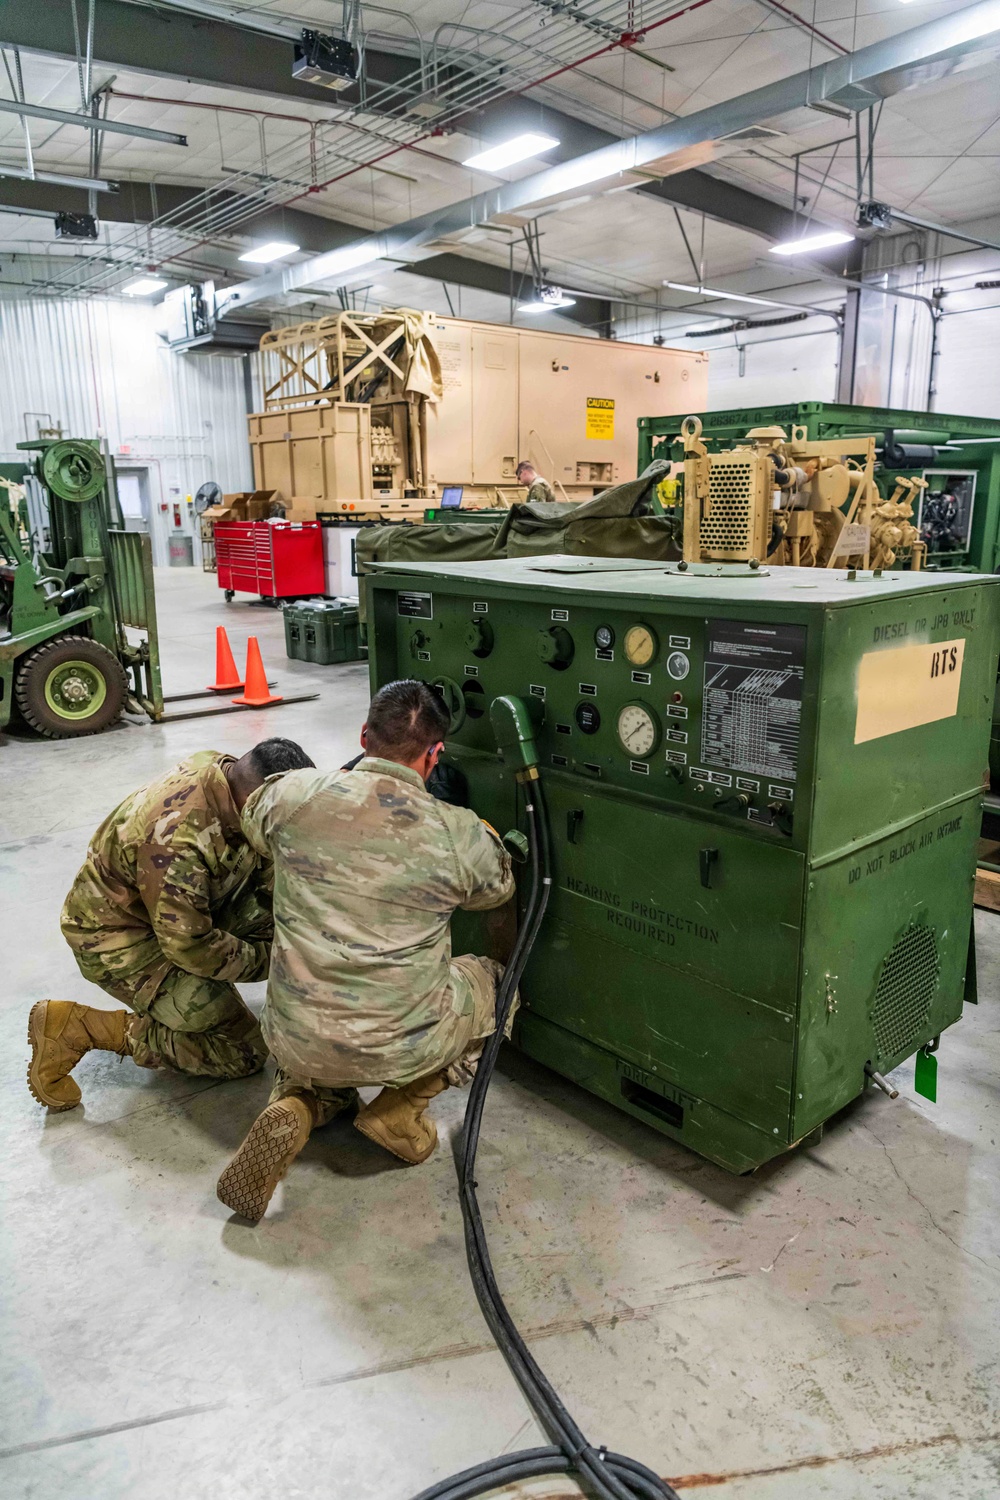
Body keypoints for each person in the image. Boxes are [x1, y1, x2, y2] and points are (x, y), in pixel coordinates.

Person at [216, 680, 515, 1222]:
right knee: (497, 981)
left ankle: (297, 1103)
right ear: (435, 754)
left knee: (315, 1022)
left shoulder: (293, 795)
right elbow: (498, 888)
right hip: (401, 1047)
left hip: (292, 1033)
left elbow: (254, 823)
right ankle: (401, 1109)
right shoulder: (456, 832)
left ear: (363, 737)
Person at [27, 738, 315, 1112]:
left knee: (293, 926)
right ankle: (83, 1028)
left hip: (175, 912)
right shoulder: (178, 839)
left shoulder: (228, 779)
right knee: (242, 1051)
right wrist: (274, 961)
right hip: (119, 939)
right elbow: (192, 947)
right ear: (258, 803)